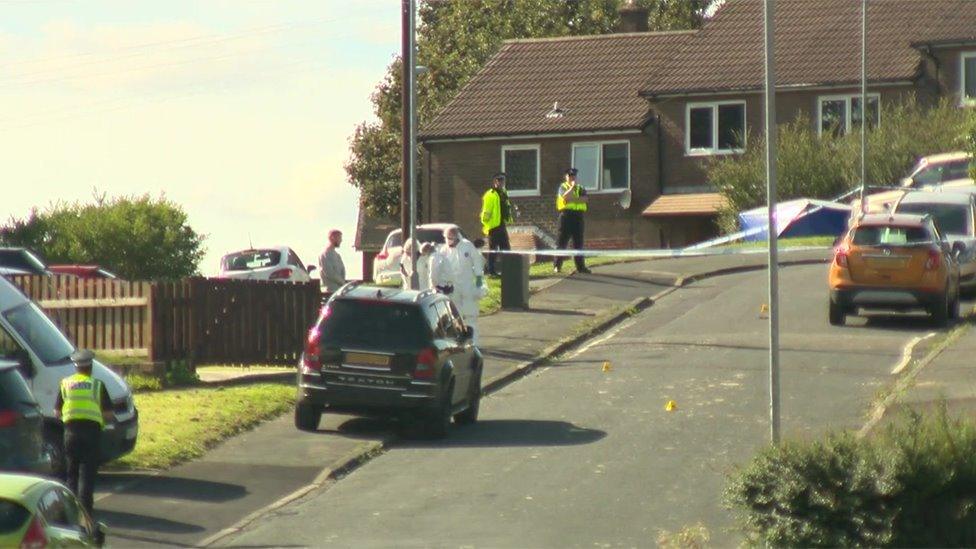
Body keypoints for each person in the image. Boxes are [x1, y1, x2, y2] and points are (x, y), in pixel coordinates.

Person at [55, 349, 113, 515]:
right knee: (87, 473)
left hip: (70, 433)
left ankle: (71, 509)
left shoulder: (65, 384)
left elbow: (57, 412)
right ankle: (86, 511)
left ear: (76, 367)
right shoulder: (97, 385)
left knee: (71, 472)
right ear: (91, 367)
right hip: (91, 433)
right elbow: (108, 414)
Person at [430, 227, 485, 344]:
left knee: (470, 315)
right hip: (453, 287)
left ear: (456, 237)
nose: (448, 240)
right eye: (447, 238)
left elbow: (477, 260)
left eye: (451, 238)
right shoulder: (444, 250)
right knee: (455, 315)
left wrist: (479, 276)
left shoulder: (467, 246)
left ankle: (474, 343)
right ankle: (459, 342)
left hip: (467, 284)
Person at [554, 167, 591, 274]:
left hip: (578, 216)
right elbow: (565, 197)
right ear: (566, 177)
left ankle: (581, 267)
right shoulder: (563, 187)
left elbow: (585, 199)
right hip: (566, 216)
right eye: (570, 176)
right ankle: (557, 266)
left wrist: (573, 198)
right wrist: (571, 189)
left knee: (578, 243)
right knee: (561, 242)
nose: (572, 178)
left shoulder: (580, 187)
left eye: (573, 176)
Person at [480, 172, 514, 276]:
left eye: (503, 180)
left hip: (501, 224)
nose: (502, 182)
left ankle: (508, 269)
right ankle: (491, 271)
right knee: (493, 250)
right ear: (495, 182)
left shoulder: (504, 193)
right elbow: (486, 211)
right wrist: (487, 223)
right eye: (499, 180)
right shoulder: (490, 195)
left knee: (506, 248)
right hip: (493, 226)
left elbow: (506, 206)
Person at [319, 229, 346, 294]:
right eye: (339, 238)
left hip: (340, 291)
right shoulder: (324, 254)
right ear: (332, 238)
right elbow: (329, 273)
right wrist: (343, 283)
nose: (341, 240)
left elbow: (342, 271)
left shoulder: (337, 255)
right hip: (330, 292)